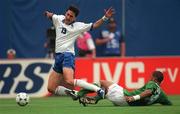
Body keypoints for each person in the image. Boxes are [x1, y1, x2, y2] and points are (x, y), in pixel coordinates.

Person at [44, 5, 114, 98]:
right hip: (58, 57)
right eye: (68, 14)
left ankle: (97, 89)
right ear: (65, 13)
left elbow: (95, 25)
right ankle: (76, 94)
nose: (68, 17)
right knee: (51, 88)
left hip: (67, 55)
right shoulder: (58, 19)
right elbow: (51, 15)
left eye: (71, 16)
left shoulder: (78, 26)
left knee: (69, 80)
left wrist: (105, 17)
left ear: (75, 18)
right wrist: (47, 14)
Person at [66, 71, 172, 106]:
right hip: (124, 102)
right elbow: (169, 104)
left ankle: (78, 95)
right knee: (104, 90)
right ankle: (95, 99)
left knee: (102, 83)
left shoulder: (152, 84)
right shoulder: (161, 94)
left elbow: (148, 92)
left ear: (154, 78)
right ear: (161, 81)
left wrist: (134, 98)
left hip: (125, 97)